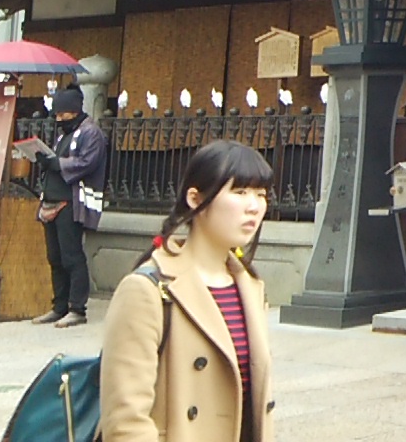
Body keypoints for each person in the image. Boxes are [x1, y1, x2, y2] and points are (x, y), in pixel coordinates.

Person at [101, 139, 276, 442]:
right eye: (240, 192)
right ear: (195, 199)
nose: (254, 206)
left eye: (261, 194)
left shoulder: (250, 287)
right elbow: (126, 421)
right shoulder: (147, 290)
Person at [28, 87, 107, 328]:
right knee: (55, 257)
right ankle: (59, 306)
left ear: (75, 111)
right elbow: (57, 161)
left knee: (72, 256)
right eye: (57, 115)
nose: (59, 119)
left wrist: (57, 164)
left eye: (63, 114)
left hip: (72, 201)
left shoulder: (91, 133)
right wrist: (46, 161)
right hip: (51, 199)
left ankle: (77, 308)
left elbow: (87, 162)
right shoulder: (64, 135)